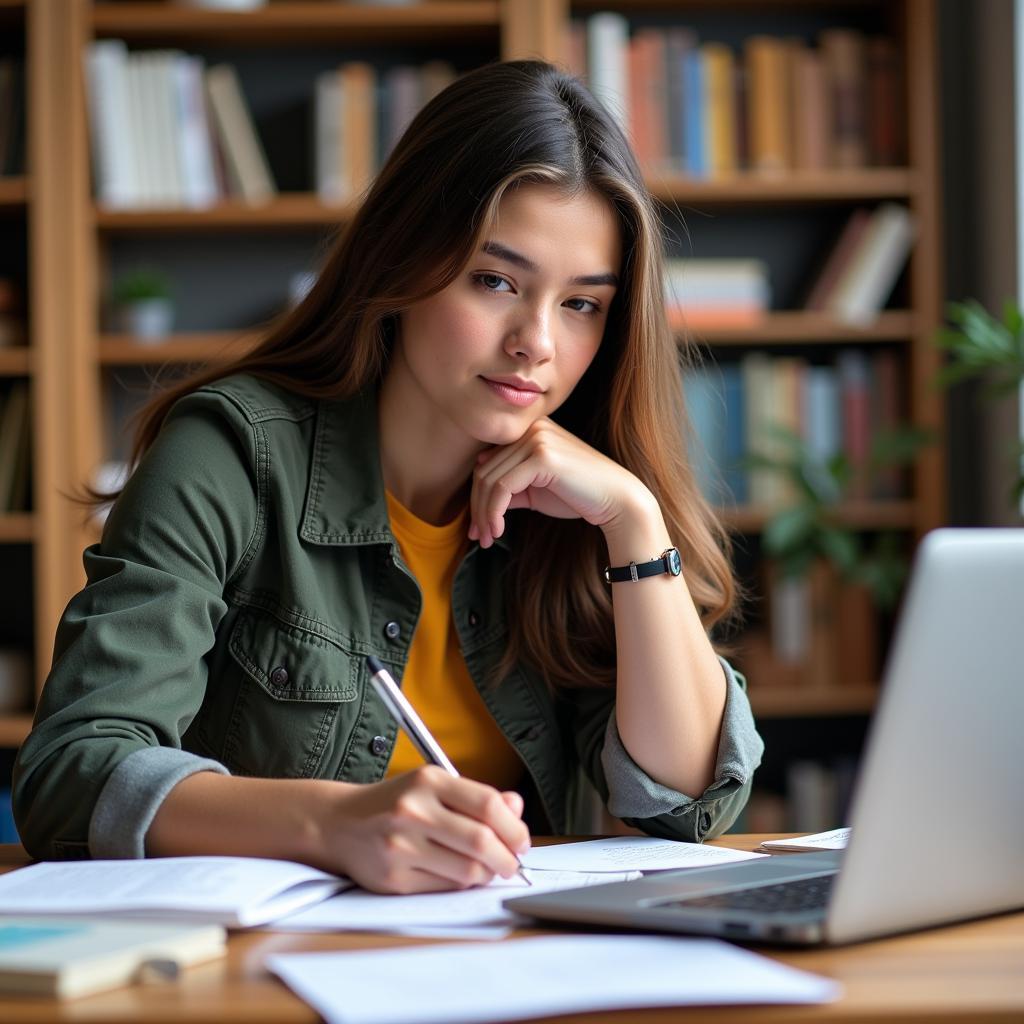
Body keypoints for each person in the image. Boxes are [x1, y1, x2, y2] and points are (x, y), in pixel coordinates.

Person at [13, 59, 763, 894]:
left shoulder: (587, 503)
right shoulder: (230, 451)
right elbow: (72, 775)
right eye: (495, 281)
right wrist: (332, 824)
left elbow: (687, 806)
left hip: (509, 962)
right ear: (402, 263)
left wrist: (635, 523)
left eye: (581, 304)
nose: (536, 342)